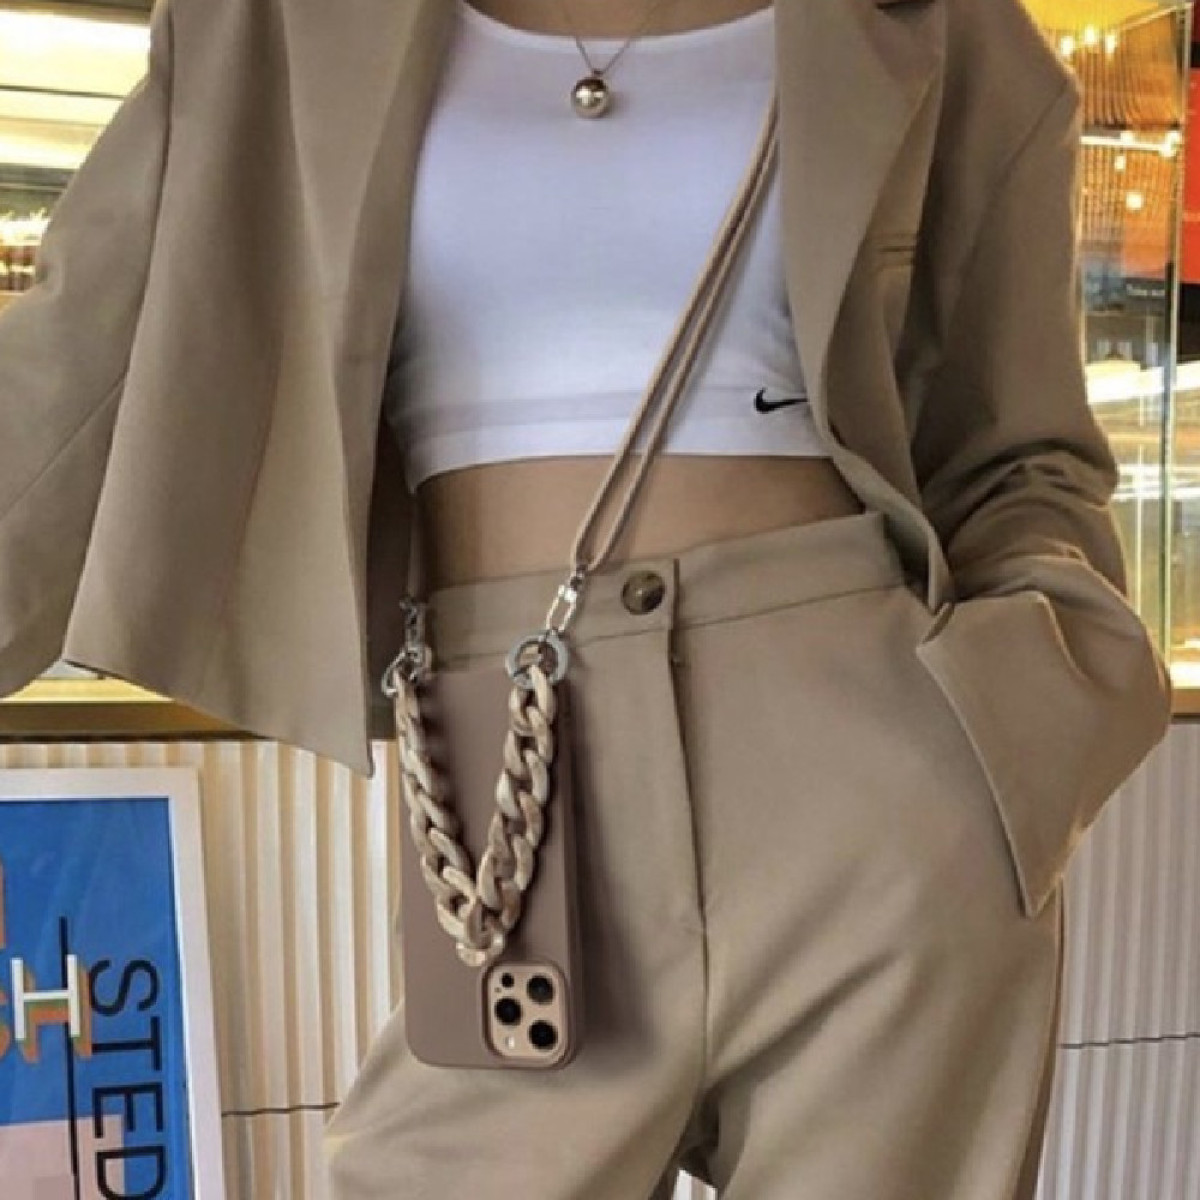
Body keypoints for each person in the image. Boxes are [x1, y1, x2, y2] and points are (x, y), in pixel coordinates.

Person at [0, 0, 1174, 1197]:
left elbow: (1021, 457)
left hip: (876, 776)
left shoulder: (941, 27)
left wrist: (1020, 734)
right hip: (515, 792)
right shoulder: (279, 23)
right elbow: (68, 383)